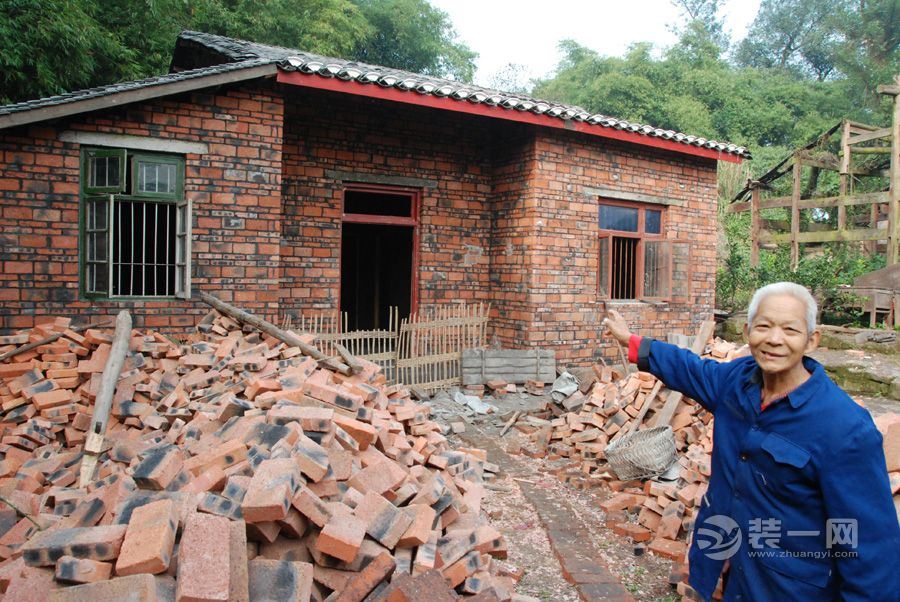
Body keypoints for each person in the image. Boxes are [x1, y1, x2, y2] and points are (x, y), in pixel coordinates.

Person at [602, 282, 900, 601]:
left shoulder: (844, 428)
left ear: (812, 340)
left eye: (789, 329)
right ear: (747, 332)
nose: (774, 339)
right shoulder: (737, 382)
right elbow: (690, 369)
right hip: (734, 572)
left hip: (792, 589)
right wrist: (632, 342)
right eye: (764, 326)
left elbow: (870, 548)